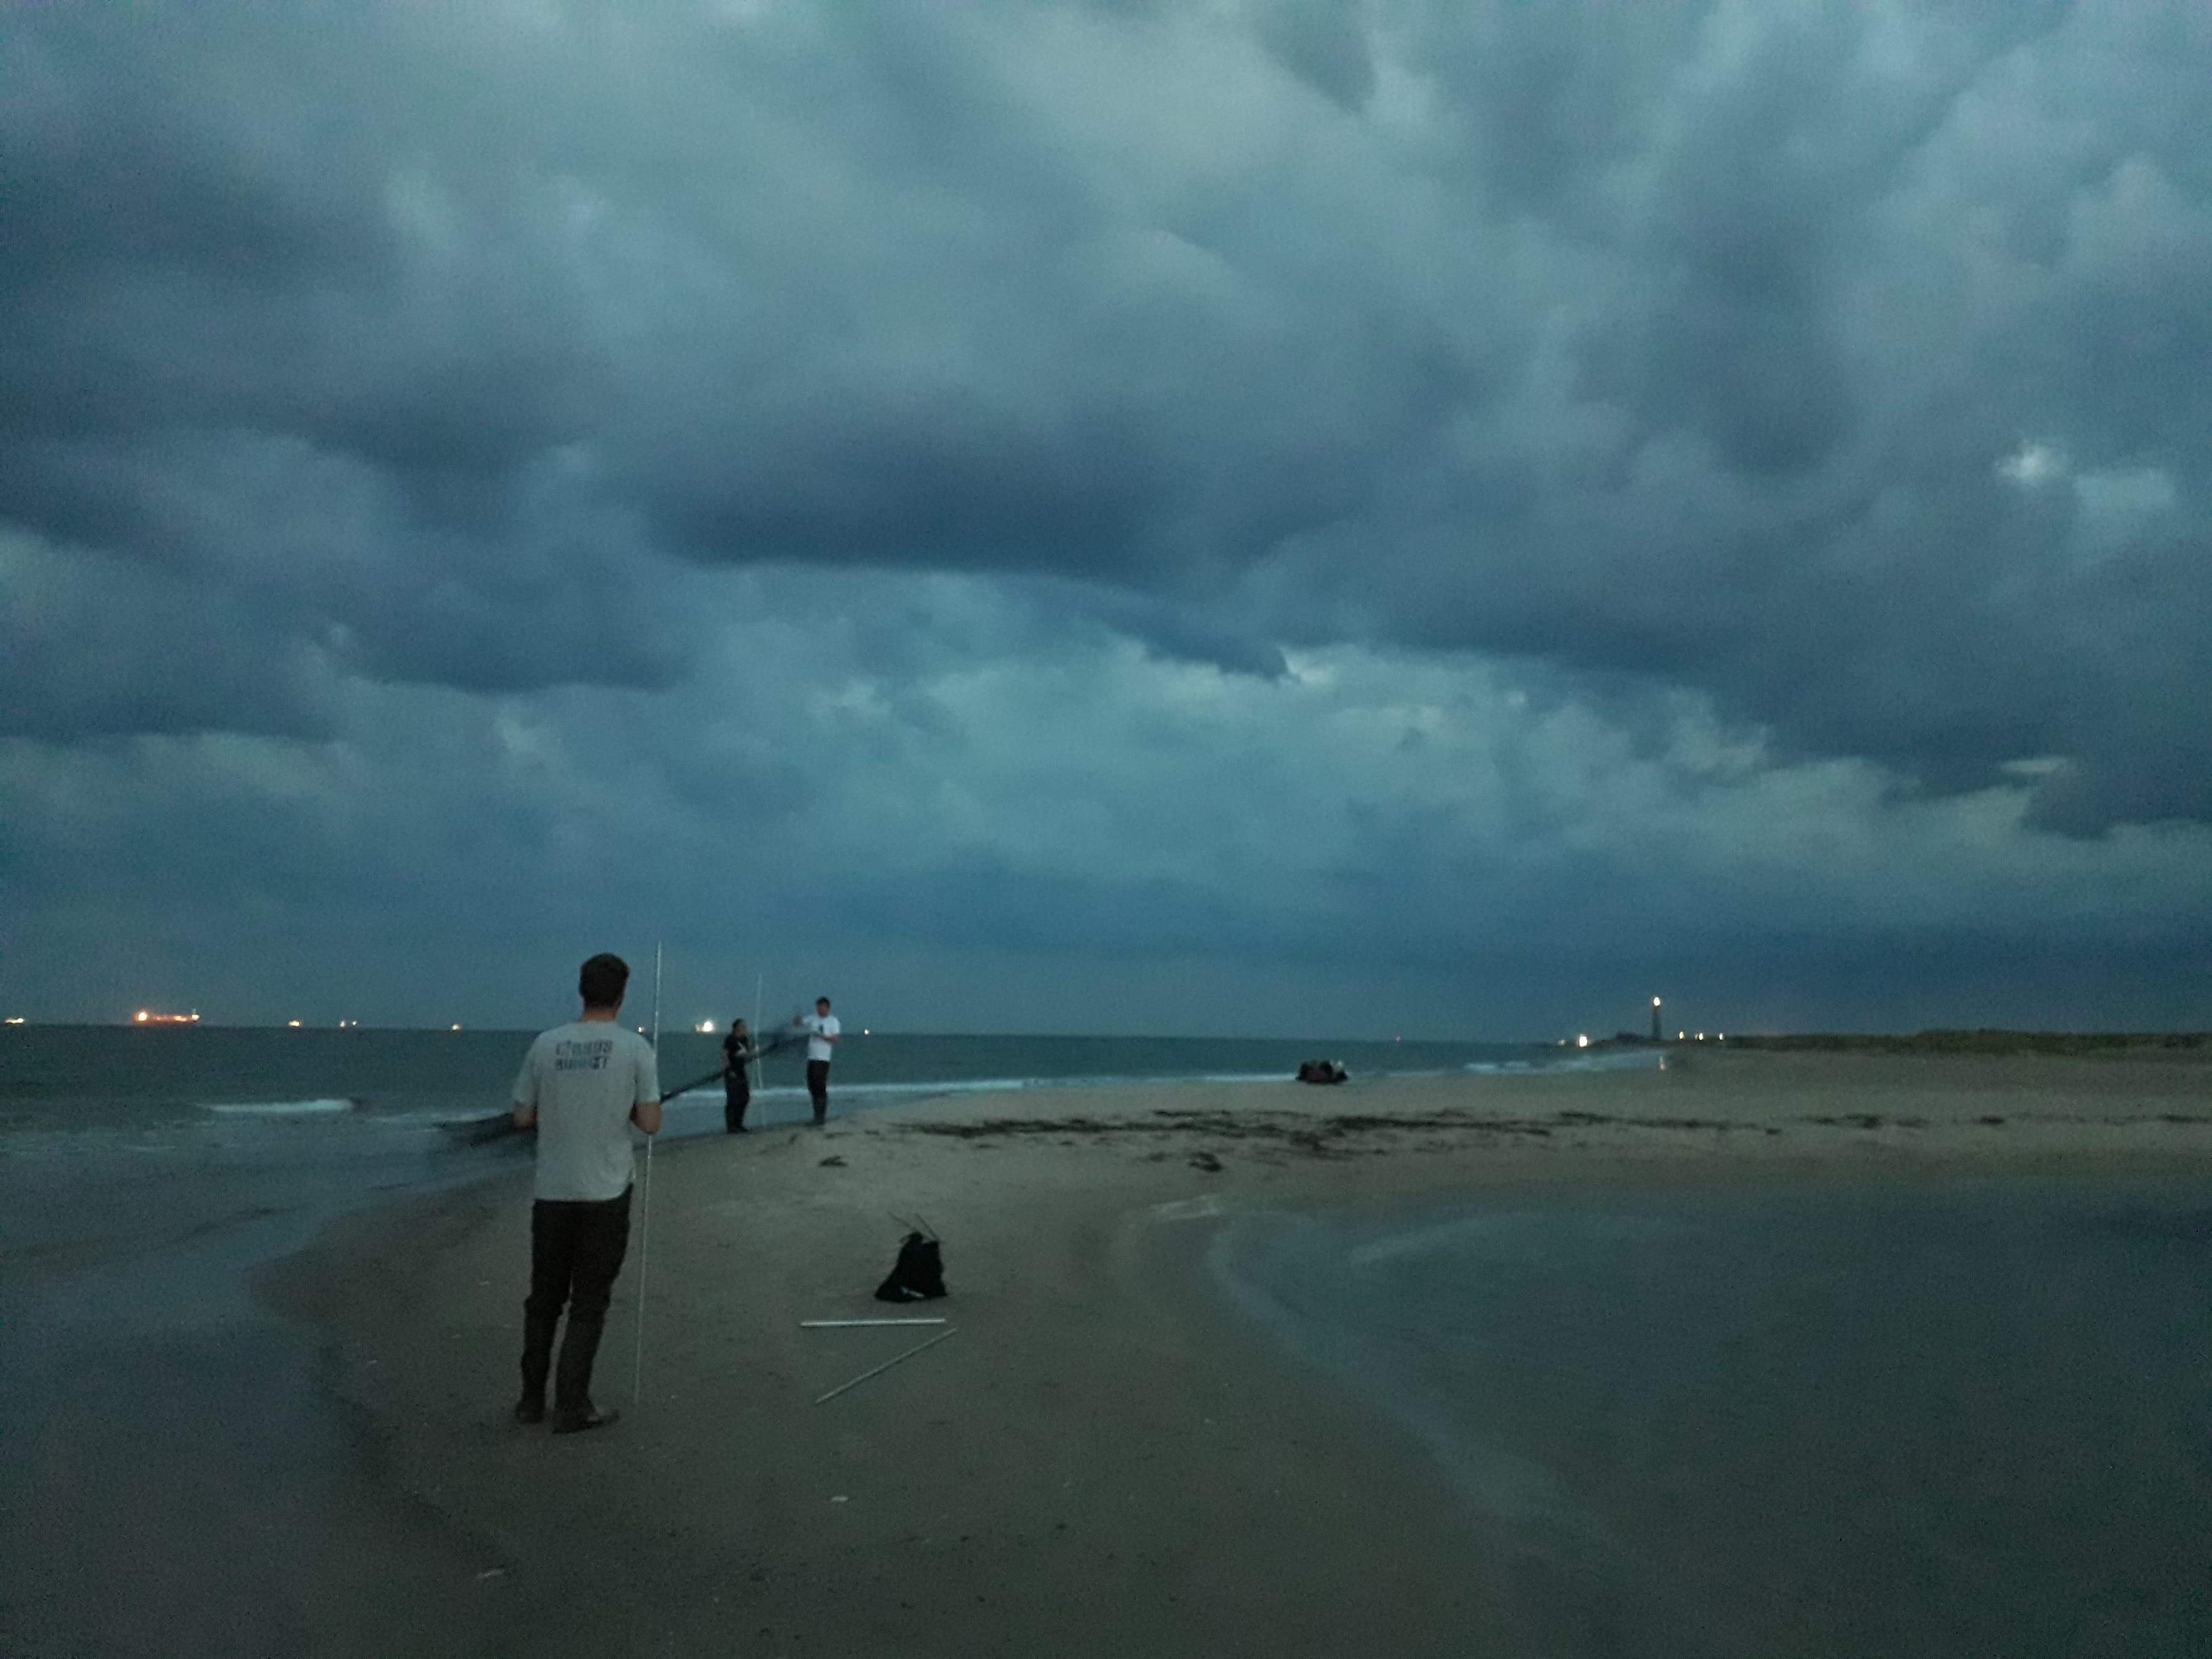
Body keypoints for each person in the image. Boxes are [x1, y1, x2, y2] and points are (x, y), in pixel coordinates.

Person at [509, 952, 661, 1434]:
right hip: (605, 1190)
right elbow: (651, 1122)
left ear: (582, 991)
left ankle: (532, 1399)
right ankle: (571, 1403)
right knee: (588, 1301)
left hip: (553, 1189)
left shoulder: (545, 1045)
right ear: (620, 995)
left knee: (545, 1297)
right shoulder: (635, 1049)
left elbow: (522, 1116)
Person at [802, 995, 840, 1125]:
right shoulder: (812, 1019)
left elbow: (835, 1039)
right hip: (811, 1057)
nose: (820, 1010)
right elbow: (801, 1023)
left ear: (828, 1008)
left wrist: (822, 1036)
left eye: (822, 1007)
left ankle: (821, 1116)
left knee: (820, 1086)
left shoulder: (833, 1021)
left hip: (823, 1059)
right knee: (811, 1086)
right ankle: (816, 1114)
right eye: (818, 1007)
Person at [721, 1018, 755, 1133]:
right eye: (742, 1027)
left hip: (741, 1071)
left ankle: (739, 1123)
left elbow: (746, 1053)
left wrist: (753, 1050)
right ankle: (731, 1126)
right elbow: (725, 1055)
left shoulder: (744, 1039)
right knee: (733, 1100)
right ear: (736, 1028)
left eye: (745, 1027)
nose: (745, 1029)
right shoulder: (730, 1039)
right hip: (732, 1072)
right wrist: (729, 1070)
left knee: (745, 1098)